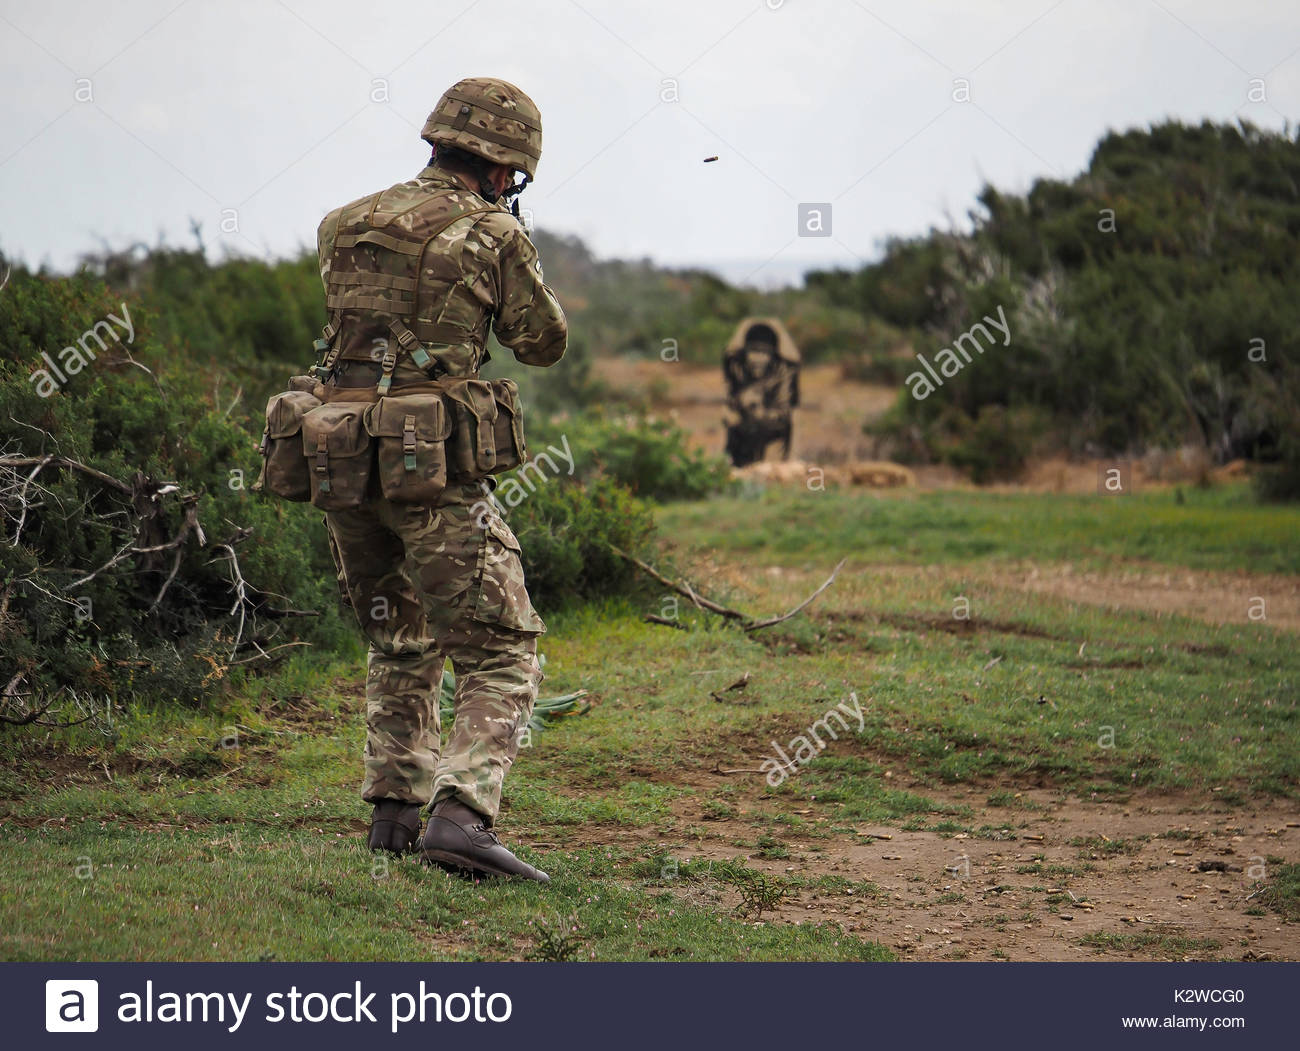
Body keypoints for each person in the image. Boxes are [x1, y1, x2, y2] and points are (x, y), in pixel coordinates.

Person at [313, 77, 566, 883]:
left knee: (400, 631)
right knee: (503, 646)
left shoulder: (342, 221)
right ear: (501, 168)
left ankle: (393, 812)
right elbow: (543, 342)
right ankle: (462, 815)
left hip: (345, 461)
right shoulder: (491, 234)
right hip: (432, 470)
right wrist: (510, 241)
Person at [722, 318, 801, 467]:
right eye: (753, 351)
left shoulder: (784, 371)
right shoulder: (736, 367)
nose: (758, 359)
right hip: (744, 430)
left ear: (772, 355)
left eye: (764, 353)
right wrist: (739, 404)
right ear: (745, 352)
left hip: (774, 431)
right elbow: (731, 401)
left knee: (770, 472)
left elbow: (784, 414)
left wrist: (759, 412)